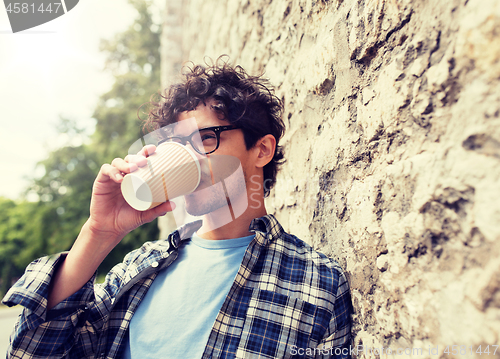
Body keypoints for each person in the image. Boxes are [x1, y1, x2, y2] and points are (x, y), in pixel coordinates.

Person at [2, 59, 352, 358]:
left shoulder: (317, 283)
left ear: (261, 150)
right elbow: (32, 351)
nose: (188, 157)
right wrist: (99, 232)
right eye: (177, 144)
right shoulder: (141, 268)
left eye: (204, 139)